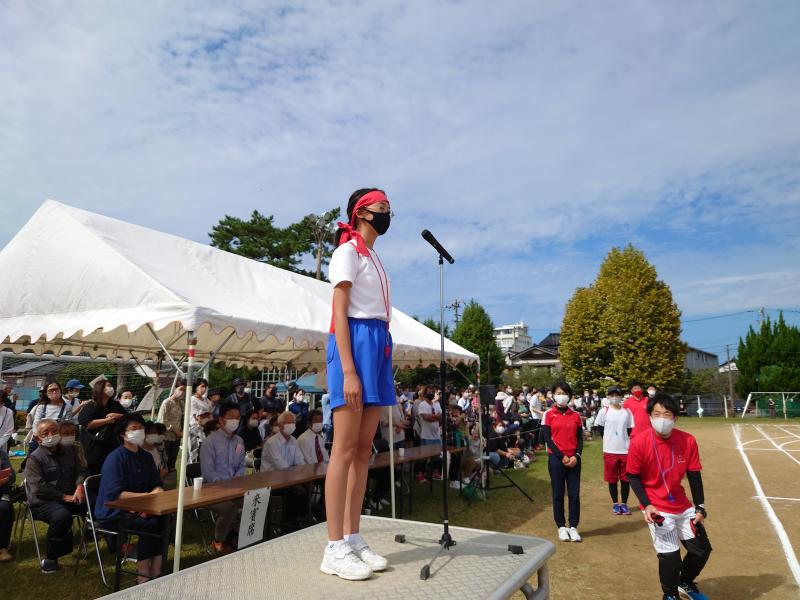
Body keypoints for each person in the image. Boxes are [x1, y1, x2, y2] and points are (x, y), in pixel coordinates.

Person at [321, 187, 393, 581]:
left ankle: (352, 536)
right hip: (354, 340)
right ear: (362, 213)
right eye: (382, 207)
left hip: (379, 341)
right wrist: (349, 370)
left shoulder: (374, 257)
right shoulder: (346, 252)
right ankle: (334, 547)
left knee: (364, 450)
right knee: (344, 450)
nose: (388, 213)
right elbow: (339, 312)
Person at [627, 392, 712, 600]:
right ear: (649, 417)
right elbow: (633, 476)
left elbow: (694, 475)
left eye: (667, 414)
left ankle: (685, 581)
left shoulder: (688, 440)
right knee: (670, 557)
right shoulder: (639, 442)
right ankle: (670, 594)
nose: (662, 419)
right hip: (658, 508)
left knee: (701, 550)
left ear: (676, 418)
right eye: (656, 414)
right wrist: (646, 505)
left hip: (682, 505)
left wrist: (700, 506)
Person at [94, 413, 166, 584]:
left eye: (141, 428)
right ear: (122, 434)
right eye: (134, 429)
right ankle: (143, 573)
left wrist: (157, 491)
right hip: (114, 511)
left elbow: (156, 483)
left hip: (143, 507)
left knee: (166, 519)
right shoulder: (115, 458)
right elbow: (115, 494)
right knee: (150, 525)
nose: (139, 431)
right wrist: (147, 497)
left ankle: (157, 568)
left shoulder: (146, 456)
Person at [24, 419, 88, 572]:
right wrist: (64, 497)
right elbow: (38, 488)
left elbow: (80, 471)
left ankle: (119, 546)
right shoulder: (34, 459)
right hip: (43, 502)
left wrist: (80, 486)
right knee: (62, 516)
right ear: (38, 439)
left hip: (72, 496)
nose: (50, 435)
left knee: (99, 504)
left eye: (54, 431)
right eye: (45, 433)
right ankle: (51, 559)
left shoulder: (70, 451)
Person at [199, 402, 245, 554]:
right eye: (231, 417)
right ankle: (219, 540)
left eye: (237, 417)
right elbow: (208, 473)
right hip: (212, 489)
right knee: (229, 508)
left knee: (254, 500)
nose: (235, 421)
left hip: (235, 488)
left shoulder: (239, 441)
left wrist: (236, 479)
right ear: (221, 420)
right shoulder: (210, 442)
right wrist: (226, 486)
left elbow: (241, 465)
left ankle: (236, 535)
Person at [542, 381, 583, 543]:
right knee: (558, 493)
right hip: (556, 459)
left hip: (574, 460)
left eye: (564, 393)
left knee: (574, 494)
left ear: (570, 396)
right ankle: (561, 526)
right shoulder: (548, 414)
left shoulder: (576, 415)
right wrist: (561, 456)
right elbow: (547, 438)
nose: (561, 396)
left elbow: (580, 439)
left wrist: (576, 456)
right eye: (558, 393)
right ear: (553, 395)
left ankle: (573, 526)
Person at [594, 385, 634, 516]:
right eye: (612, 395)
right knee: (612, 479)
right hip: (609, 450)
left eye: (617, 395)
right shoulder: (604, 411)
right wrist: (608, 439)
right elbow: (600, 428)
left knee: (625, 479)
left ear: (621, 396)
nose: (614, 397)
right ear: (608, 397)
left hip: (625, 450)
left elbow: (629, 429)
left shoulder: (627, 412)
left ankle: (624, 504)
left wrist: (622, 439)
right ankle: (616, 504)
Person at [78, 376, 127, 475]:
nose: (111, 388)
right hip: (94, 447)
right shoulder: (91, 406)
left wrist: (118, 415)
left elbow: (128, 417)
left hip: (112, 445)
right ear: (100, 389)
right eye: (108, 386)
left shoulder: (115, 405)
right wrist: (107, 420)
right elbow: (87, 423)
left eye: (111, 385)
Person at [156, 380, 185, 471]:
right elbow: (162, 421)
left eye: (185, 390)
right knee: (164, 463)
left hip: (177, 438)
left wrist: (182, 431)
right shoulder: (167, 402)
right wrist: (176, 431)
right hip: (166, 437)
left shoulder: (181, 403)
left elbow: (182, 418)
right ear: (174, 389)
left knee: (172, 464)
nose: (182, 392)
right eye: (181, 389)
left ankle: (172, 478)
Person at [417, 387, 443, 482]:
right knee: (423, 457)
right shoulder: (422, 405)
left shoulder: (437, 404)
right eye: (429, 392)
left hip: (436, 435)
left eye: (432, 391)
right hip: (426, 435)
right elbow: (425, 418)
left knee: (436, 456)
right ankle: (420, 474)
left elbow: (441, 417)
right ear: (425, 393)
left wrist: (434, 417)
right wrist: (435, 417)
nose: (431, 393)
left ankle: (434, 472)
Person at [0, 446, 15, 564]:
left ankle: (2, 548)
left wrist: (6, 479)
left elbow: (12, 476)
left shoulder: (2, 454)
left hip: (2, 492)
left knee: (4, 507)